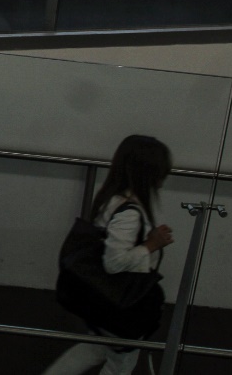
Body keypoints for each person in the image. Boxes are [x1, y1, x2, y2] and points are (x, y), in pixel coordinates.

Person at [41, 135, 174, 375]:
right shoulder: (129, 213)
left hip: (101, 300)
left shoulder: (112, 199)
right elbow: (114, 263)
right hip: (119, 303)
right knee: (120, 363)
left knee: (95, 348)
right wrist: (151, 245)